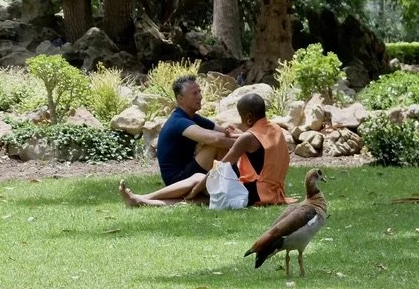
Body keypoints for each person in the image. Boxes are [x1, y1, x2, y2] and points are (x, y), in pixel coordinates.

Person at [120, 89, 293, 208]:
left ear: (248, 118)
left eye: (241, 117)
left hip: (256, 194)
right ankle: (144, 201)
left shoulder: (248, 138)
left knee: (198, 180)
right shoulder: (275, 128)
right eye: (195, 93)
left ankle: (145, 198)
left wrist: (196, 188)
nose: (199, 95)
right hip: (273, 193)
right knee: (204, 198)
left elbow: (220, 168)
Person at [119, 74, 239, 206]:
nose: (200, 96)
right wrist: (247, 143)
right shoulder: (179, 121)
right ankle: (145, 197)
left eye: (199, 91)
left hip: (190, 172)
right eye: (194, 93)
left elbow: (225, 132)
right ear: (180, 99)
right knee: (214, 149)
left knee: (211, 198)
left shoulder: (194, 118)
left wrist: (249, 136)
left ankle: (142, 201)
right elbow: (215, 139)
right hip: (177, 179)